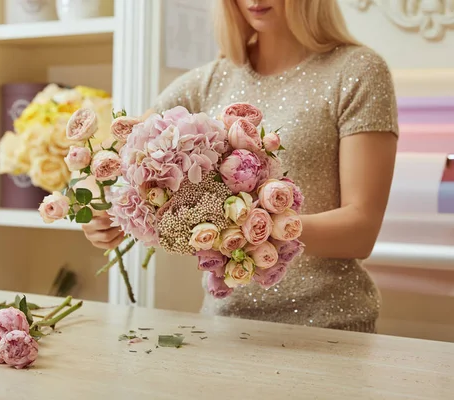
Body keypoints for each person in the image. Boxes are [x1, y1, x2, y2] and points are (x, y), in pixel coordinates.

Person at [82, 0, 398, 333]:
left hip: (331, 329)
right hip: (225, 329)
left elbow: (361, 231)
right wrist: (95, 207)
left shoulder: (359, 70)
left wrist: (249, 227)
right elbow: (107, 164)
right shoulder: (207, 81)